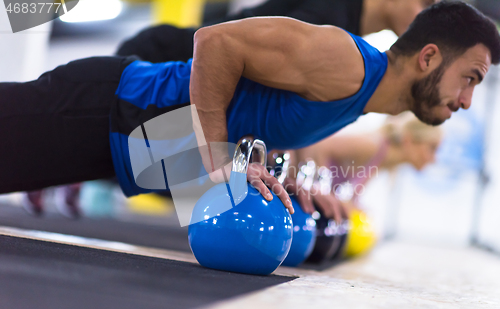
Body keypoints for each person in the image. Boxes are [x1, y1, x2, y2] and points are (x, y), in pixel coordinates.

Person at [0, 2, 498, 221]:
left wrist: (285, 183)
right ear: (429, 56)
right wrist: (217, 157)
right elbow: (215, 42)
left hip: (119, 148)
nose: (468, 100)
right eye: (470, 78)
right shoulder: (348, 62)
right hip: (107, 108)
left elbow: (256, 116)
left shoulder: (361, 100)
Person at [116, 0, 438, 63]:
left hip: (180, 84)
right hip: (158, 61)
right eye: (426, 4)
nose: (426, 19)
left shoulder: (350, 36)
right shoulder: (330, 18)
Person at [294, 112, 442, 215]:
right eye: (432, 148)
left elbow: (349, 201)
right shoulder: (372, 145)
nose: (434, 158)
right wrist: (322, 190)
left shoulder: (383, 160)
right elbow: (319, 146)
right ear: (409, 140)